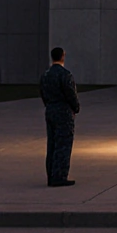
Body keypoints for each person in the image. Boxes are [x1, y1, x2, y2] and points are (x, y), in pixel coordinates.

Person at [40, 46, 80, 187]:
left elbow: (43, 93)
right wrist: (75, 108)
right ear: (63, 56)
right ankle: (59, 175)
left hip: (50, 110)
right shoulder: (65, 74)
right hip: (63, 111)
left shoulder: (46, 75)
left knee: (52, 143)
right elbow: (70, 93)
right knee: (63, 145)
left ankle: (51, 175)